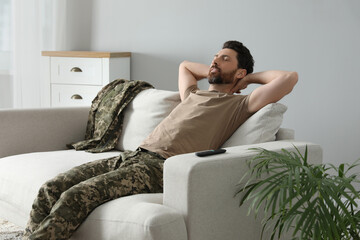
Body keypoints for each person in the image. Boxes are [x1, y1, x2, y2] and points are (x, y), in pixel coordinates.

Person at [23, 40, 298, 240]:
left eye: (224, 58)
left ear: (239, 72)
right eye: (215, 56)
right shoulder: (193, 95)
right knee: (52, 187)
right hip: (133, 157)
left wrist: (247, 79)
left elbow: (288, 78)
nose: (214, 61)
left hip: (159, 168)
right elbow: (186, 67)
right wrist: (215, 69)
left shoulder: (238, 105)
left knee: (75, 196)